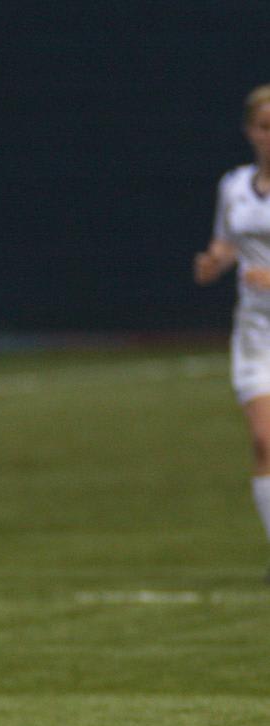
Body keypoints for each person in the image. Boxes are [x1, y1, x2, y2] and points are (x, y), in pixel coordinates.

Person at [195, 84, 270, 579]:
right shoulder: (235, 185)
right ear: (249, 132)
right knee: (265, 442)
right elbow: (225, 242)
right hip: (256, 333)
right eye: (264, 127)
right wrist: (214, 261)